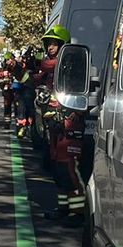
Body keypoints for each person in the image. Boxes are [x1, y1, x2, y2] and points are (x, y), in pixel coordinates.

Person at [37, 23, 86, 220]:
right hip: (55, 127)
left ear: (63, 45)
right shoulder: (49, 71)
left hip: (69, 126)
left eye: (54, 44)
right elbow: (32, 79)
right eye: (48, 44)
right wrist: (17, 72)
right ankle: (64, 209)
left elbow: (47, 65)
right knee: (58, 171)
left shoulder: (70, 65)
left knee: (69, 171)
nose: (50, 47)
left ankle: (77, 212)